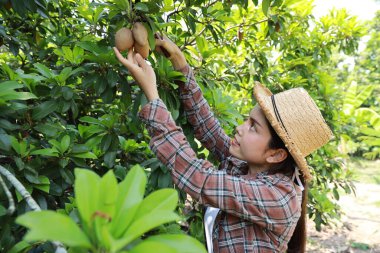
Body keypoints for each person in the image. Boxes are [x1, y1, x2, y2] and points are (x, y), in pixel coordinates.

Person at [113, 34, 333, 253]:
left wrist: (152, 95)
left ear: (275, 155)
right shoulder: (245, 167)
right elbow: (208, 128)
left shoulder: (279, 198)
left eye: (253, 126)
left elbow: (198, 177)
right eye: (247, 120)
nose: (240, 127)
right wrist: (180, 63)